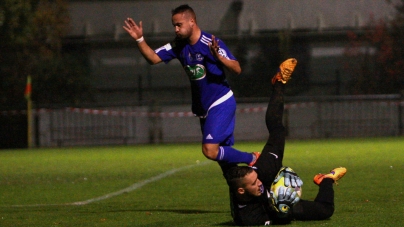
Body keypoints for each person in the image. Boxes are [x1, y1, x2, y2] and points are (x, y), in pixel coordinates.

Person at [123, 4, 258, 165]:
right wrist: (140, 39)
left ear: (192, 21)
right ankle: (248, 183)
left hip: (221, 102)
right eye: (174, 26)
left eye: (179, 25)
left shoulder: (211, 42)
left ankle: (254, 158)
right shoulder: (178, 45)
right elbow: (153, 58)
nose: (176, 30)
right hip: (203, 108)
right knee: (224, 161)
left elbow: (237, 68)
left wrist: (219, 57)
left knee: (209, 150)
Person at [222, 58, 347, 226]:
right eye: (254, 183)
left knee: (278, 132)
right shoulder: (247, 218)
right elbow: (279, 219)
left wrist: (255, 170)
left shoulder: (258, 177)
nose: (259, 183)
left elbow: (229, 166)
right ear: (241, 191)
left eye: (255, 179)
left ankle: (279, 82)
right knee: (325, 211)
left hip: (265, 171)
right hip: (274, 205)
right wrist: (284, 204)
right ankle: (326, 179)